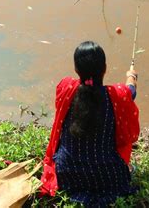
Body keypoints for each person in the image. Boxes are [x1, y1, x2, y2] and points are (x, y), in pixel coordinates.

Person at [40, 41, 140, 206]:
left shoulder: (66, 88)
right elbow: (131, 92)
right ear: (105, 68)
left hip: (68, 174)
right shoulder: (118, 95)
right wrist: (132, 77)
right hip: (108, 176)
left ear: (76, 70)